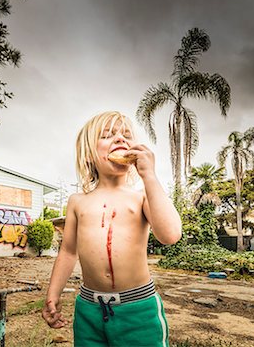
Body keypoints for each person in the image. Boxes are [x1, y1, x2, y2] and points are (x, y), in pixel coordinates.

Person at [42, 111, 182, 347]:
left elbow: (170, 235)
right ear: (88, 155)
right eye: (108, 135)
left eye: (126, 135)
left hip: (138, 309)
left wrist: (149, 175)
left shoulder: (141, 198)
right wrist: (53, 294)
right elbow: (68, 252)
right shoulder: (78, 201)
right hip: (89, 311)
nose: (120, 139)